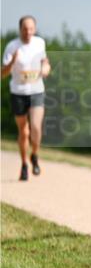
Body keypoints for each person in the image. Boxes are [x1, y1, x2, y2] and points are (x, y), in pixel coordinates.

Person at [2, 15, 51, 181]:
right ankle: (24, 164)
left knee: (36, 127)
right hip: (18, 92)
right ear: (20, 29)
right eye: (25, 29)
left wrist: (45, 67)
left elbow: (45, 61)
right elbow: (3, 73)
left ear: (34, 29)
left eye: (31, 29)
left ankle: (35, 155)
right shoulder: (12, 46)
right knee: (24, 131)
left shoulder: (40, 43)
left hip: (37, 90)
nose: (28, 32)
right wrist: (12, 63)